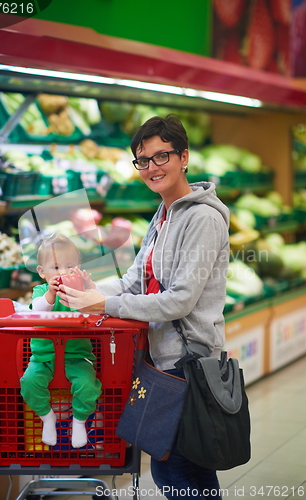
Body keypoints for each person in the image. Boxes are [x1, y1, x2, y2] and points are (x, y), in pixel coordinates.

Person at [57, 115, 230, 500]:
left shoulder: (202, 217)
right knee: (180, 472)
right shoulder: (163, 214)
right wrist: (84, 287)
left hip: (190, 364)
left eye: (161, 156)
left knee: (182, 472)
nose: (152, 168)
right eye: (143, 160)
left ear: (184, 157)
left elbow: (181, 300)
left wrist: (103, 302)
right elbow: (134, 281)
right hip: (163, 363)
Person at [20, 233, 102, 449]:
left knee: (87, 385)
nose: (63, 272)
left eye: (70, 266)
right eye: (56, 268)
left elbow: (97, 306)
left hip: (77, 355)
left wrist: (89, 286)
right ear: (42, 272)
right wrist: (50, 294)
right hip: (43, 357)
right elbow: (37, 309)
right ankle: (48, 418)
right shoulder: (41, 291)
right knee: (28, 383)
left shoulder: (80, 292)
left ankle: (79, 422)